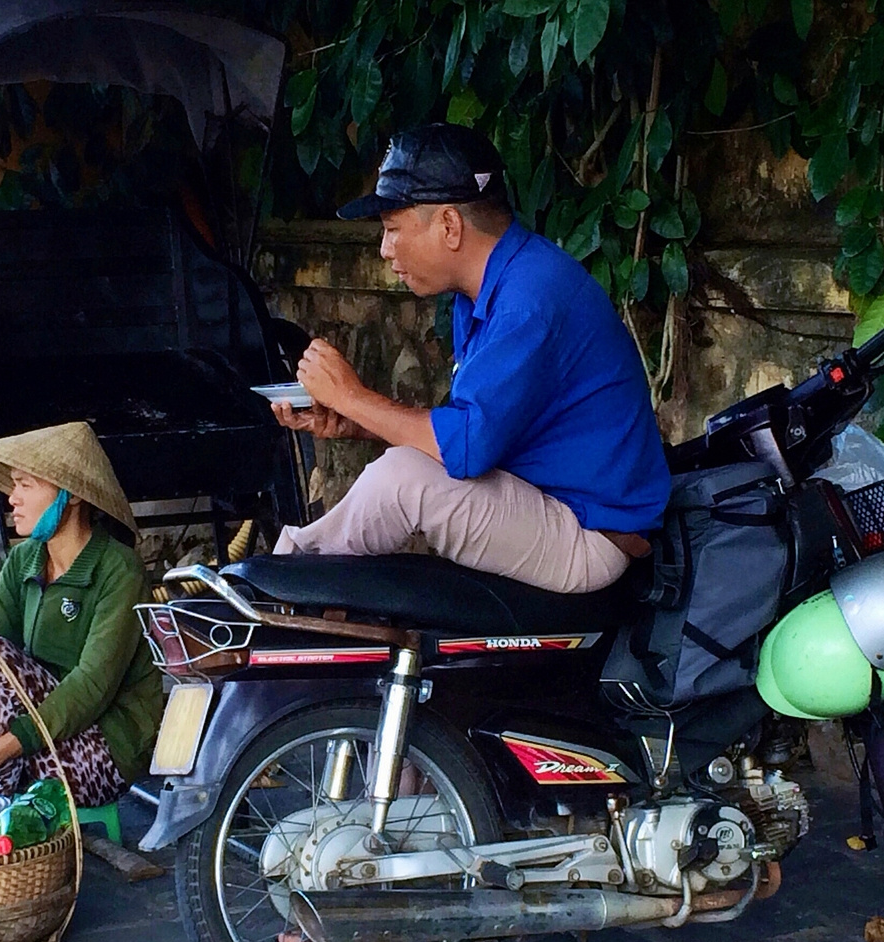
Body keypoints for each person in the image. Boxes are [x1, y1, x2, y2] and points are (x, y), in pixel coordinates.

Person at [272, 123, 671, 593]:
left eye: (393, 229)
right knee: (406, 467)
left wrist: (353, 396)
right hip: (551, 505)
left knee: (403, 479)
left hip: (589, 536)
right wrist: (355, 419)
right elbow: (472, 434)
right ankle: (288, 583)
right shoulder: (488, 289)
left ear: (449, 225)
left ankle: (283, 587)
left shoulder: (529, 300)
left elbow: (463, 449)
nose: (385, 250)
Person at [0, 422, 161, 804]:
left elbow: (91, 687)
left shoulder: (118, 570)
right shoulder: (24, 559)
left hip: (97, 753)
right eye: (14, 484)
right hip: (27, 739)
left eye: (26, 485)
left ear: (71, 495)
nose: (12, 498)